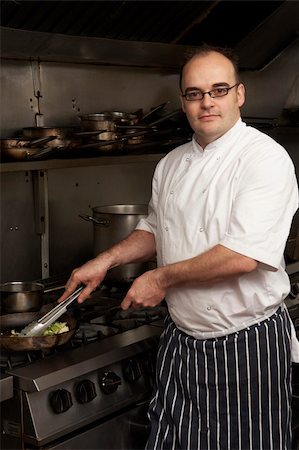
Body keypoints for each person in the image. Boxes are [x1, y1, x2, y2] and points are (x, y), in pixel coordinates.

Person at [59, 44, 299, 450]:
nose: (207, 102)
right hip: (181, 341)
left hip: (244, 343)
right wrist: (105, 260)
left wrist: (160, 277)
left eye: (218, 90)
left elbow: (242, 255)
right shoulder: (170, 163)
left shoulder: (265, 159)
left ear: (239, 95)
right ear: (184, 102)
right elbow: (156, 228)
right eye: (194, 93)